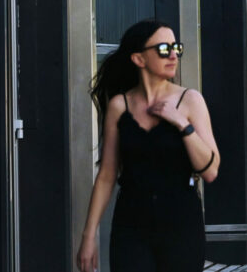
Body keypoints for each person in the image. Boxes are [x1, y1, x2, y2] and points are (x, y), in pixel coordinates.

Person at [76, 20, 221, 272]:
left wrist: (181, 124)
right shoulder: (119, 106)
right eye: (164, 49)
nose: (173, 55)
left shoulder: (190, 101)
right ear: (139, 59)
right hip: (131, 224)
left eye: (176, 48)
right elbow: (107, 175)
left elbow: (209, 170)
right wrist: (89, 236)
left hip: (181, 223)